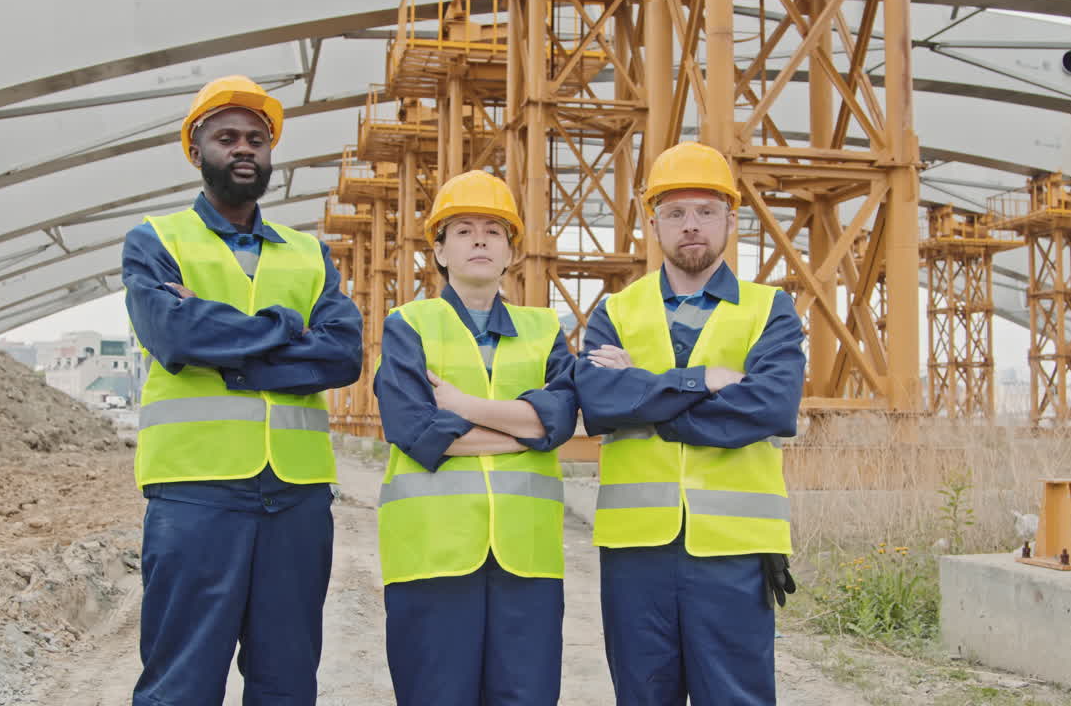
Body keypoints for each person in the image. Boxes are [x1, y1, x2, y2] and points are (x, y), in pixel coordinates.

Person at [122, 75, 363, 705]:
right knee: (182, 680)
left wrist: (231, 350)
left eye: (258, 138)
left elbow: (341, 356)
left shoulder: (309, 254)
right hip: (197, 493)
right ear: (196, 151)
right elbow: (174, 335)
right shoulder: (157, 240)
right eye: (227, 137)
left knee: (287, 680)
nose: (245, 148)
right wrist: (290, 329)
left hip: (296, 499)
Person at [573, 141, 805, 705]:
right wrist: (703, 383)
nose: (691, 225)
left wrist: (647, 398)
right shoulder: (615, 311)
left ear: (731, 218)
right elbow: (600, 405)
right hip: (636, 550)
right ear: (653, 223)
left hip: (734, 549)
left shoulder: (768, 309)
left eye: (705, 211)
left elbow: (771, 408)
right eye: (675, 213)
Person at [372, 169, 578, 706]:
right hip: (432, 555)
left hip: (526, 560)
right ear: (439, 251)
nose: (480, 239)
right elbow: (415, 432)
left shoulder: (546, 330)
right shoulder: (408, 325)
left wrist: (463, 408)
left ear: (512, 251)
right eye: (462, 230)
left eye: (493, 229)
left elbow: (562, 420)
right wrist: (524, 429)